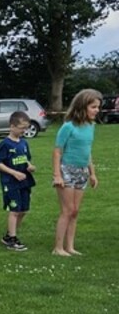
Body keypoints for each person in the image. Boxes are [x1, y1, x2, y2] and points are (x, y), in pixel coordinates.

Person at [52, 88, 101, 256]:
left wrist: (92, 173)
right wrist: (57, 175)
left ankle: (70, 247)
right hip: (67, 170)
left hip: (82, 171)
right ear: (82, 106)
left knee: (75, 211)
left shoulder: (91, 126)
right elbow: (57, 151)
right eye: (93, 107)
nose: (97, 110)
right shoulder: (68, 127)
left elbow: (87, 152)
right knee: (67, 210)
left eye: (98, 107)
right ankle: (58, 248)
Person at [0, 111, 36, 250]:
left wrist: (29, 166)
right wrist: (14, 173)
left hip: (24, 182)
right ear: (12, 126)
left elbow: (25, 159)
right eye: (21, 128)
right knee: (14, 210)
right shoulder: (5, 144)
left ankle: (8, 235)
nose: (24, 131)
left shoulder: (23, 143)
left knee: (23, 210)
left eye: (26, 128)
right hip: (10, 183)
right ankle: (12, 239)